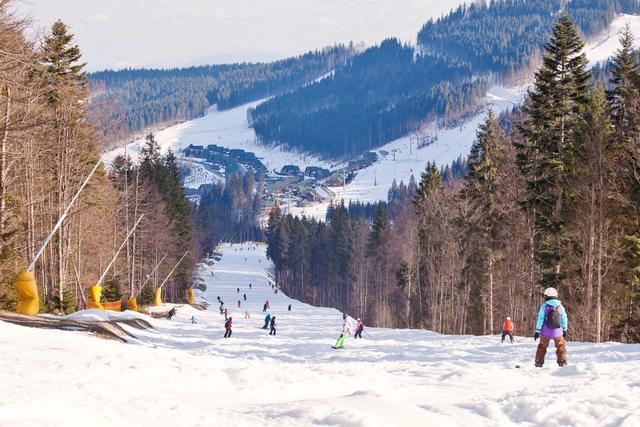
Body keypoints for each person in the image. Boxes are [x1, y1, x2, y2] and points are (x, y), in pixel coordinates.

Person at [534, 287, 568, 367]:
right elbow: (564, 318)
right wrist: (565, 329)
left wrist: (537, 331)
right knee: (561, 346)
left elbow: (540, 319)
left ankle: (539, 362)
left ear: (547, 296)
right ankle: (562, 361)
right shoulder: (560, 307)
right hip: (558, 332)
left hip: (545, 331)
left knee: (542, 346)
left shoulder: (544, 306)